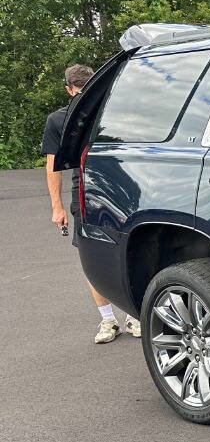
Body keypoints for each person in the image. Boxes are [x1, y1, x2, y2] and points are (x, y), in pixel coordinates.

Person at [42, 63, 141, 344]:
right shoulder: (59, 120)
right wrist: (57, 207)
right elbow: (53, 165)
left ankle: (133, 316)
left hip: (120, 188)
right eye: (80, 92)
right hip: (86, 191)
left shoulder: (114, 113)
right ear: (69, 90)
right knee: (95, 255)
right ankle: (108, 320)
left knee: (126, 252)